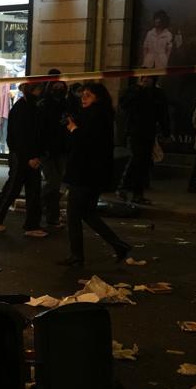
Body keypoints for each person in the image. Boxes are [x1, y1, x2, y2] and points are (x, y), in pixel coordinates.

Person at [58, 82, 131, 267]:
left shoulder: (96, 117)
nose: (83, 98)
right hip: (96, 173)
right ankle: (118, 244)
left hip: (85, 173)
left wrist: (73, 128)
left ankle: (76, 255)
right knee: (87, 213)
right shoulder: (100, 115)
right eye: (83, 94)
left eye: (88, 95)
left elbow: (83, 144)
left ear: (98, 98)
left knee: (74, 214)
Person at [0, 81, 46, 236]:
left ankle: (31, 225)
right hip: (22, 155)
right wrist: (31, 155)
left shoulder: (30, 107)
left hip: (28, 155)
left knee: (33, 190)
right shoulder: (23, 109)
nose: (39, 91)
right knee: (13, 188)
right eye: (37, 88)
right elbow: (22, 135)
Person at [117, 75, 169, 204]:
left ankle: (138, 193)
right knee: (136, 157)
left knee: (145, 162)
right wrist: (139, 90)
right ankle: (123, 186)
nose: (146, 80)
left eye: (149, 78)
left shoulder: (158, 94)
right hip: (134, 131)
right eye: (144, 77)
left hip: (149, 132)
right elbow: (124, 104)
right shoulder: (134, 90)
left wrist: (166, 130)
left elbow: (163, 112)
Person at [35, 70, 72, 228]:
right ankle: (37, 204)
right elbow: (41, 128)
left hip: (61, 150)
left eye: (61, 86)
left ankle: (52, 216)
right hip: (47, 151)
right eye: (55, 86)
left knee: (56, 186)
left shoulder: (66, 104)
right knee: (53, 183)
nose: (58, 89)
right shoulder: (43, 105)